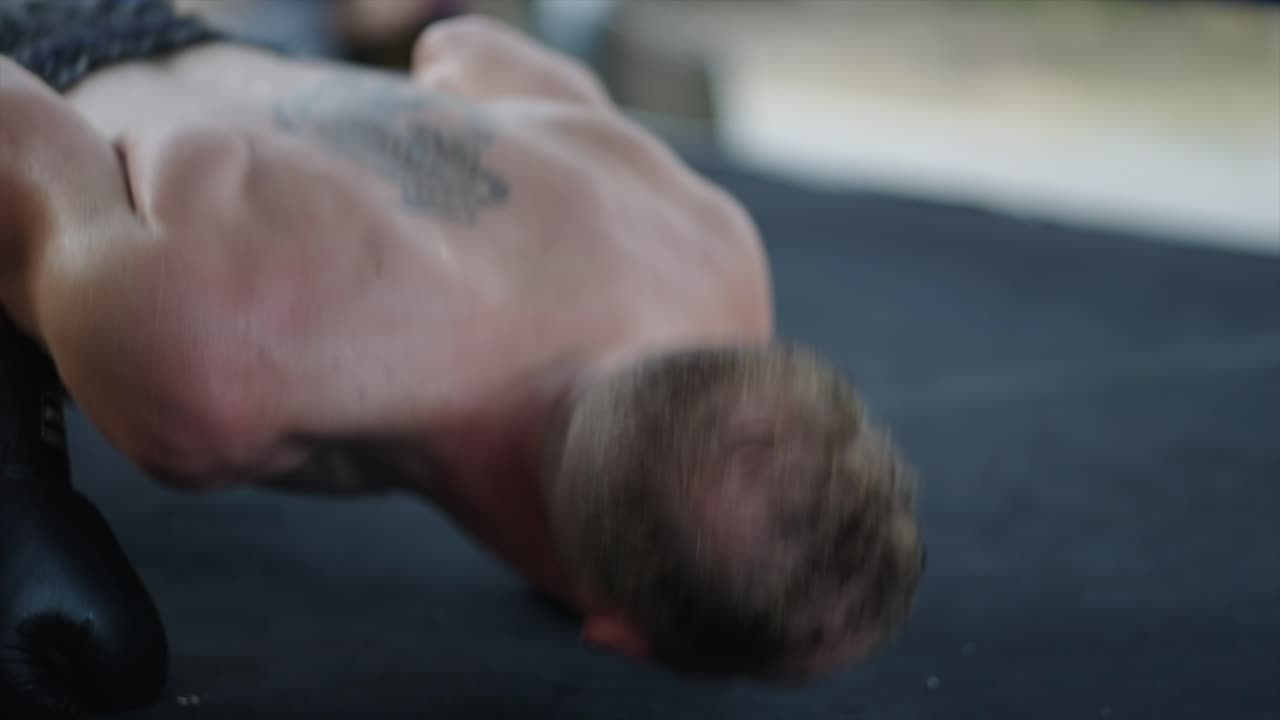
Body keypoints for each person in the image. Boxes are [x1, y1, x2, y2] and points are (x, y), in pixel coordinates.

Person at [0, 2, 924, 713]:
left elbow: (471, 52)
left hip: (191, 66)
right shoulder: (212, 377)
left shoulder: (711, 251)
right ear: (615, 630)